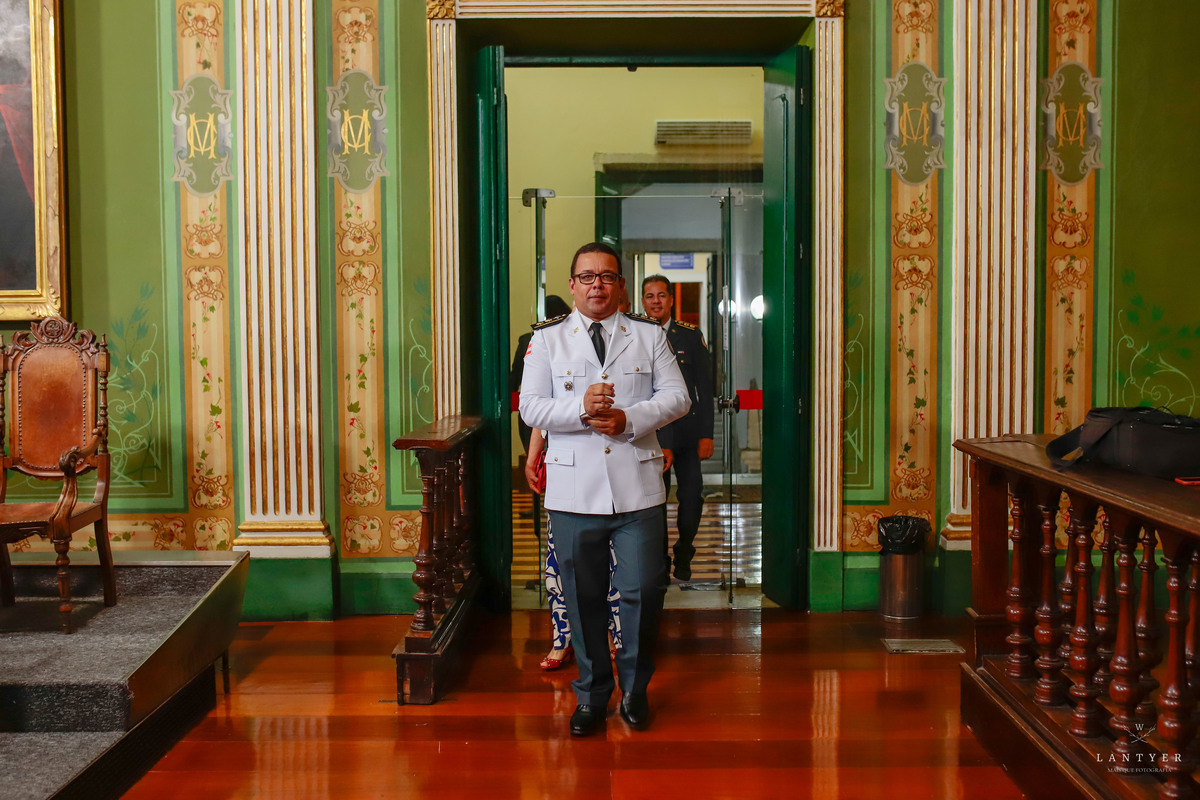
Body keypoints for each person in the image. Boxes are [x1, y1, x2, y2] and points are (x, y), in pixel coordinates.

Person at [519, 241, 689, 736]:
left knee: (642, 591)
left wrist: (628, 418)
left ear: (621, 286)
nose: (597, 284)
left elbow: (677, 397)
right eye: (587, 276)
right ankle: (592, 696)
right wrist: (581, 411)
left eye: (607, 277)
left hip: (638, 486)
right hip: (573, 491)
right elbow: (530, 408)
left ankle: (634, 691)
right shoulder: (547, 341)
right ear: (572, 285)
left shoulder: (648, 336)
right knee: (583, 596)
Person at [524, 427, 622, 671]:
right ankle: (562, 639)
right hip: (566, 468)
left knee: (610, 560)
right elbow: (542, 415)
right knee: (560, 561)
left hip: (611, 465)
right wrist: (533, 456)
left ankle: (611, 635)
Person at [641, 274, 715, 581]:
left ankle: (684, 550)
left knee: (691, 495)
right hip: (651, 433)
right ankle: (657, 560)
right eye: (650, 296)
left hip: (686, 432)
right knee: (653, 499)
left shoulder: (689, 335)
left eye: (661, 295)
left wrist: (707, 434)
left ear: (671, 300)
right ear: (642, 301)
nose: (656, 301)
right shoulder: (635, 335)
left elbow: (705, 387)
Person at [511, 294, 572, 455]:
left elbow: (514, 378)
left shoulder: (528, 339)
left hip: (555, 414)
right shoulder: (529, 340)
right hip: (547, 411)